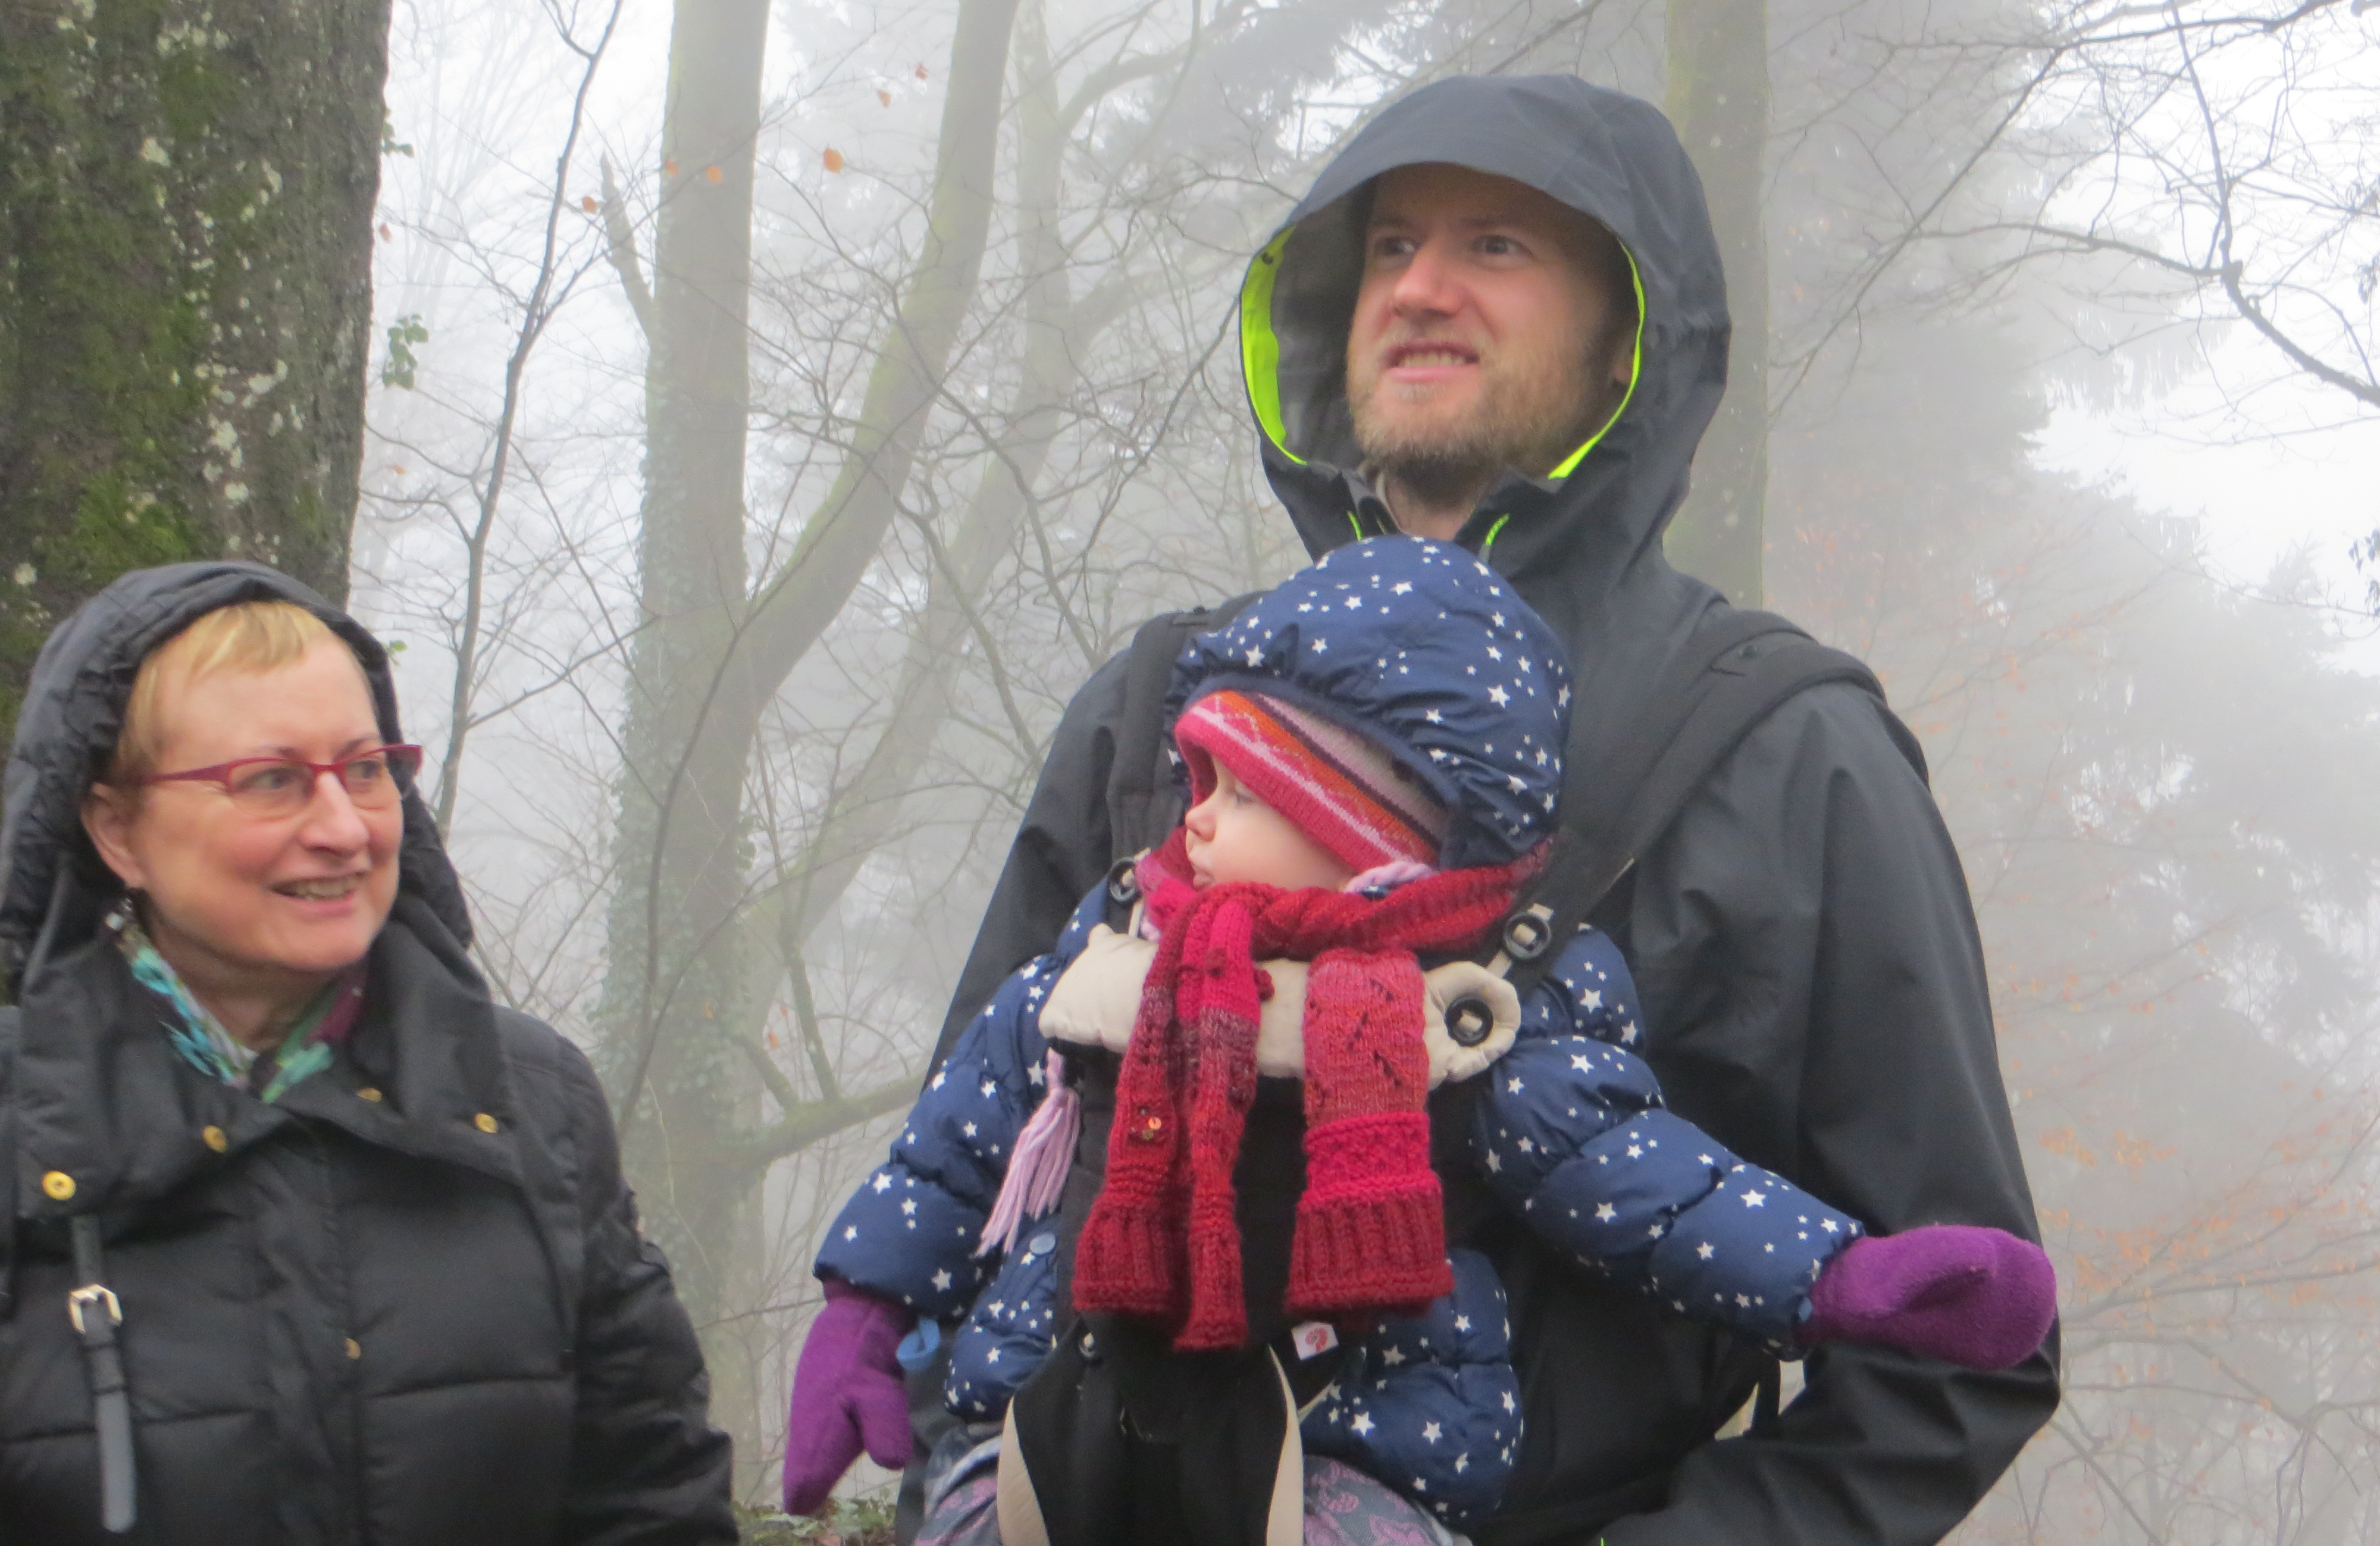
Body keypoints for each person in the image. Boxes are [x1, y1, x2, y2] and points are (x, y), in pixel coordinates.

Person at [900, 74, 2059, 1546]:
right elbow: (965, 1178)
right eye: (1387, 247)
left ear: (1632, 337)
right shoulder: (1155, 708)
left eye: (1494, 245)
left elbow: (1962, 1352)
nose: (1417, 288)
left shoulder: (1784, 748)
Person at [782, 539, 2055, 1545]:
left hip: (1360, 1440)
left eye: (1244, 790)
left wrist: (1845, 1279)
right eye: (1198, 779)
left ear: (1371, 832)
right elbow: (958, 1147)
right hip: (1056, 1404)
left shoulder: (1460, 1019)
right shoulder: (1113, 957)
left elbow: (1648, 1186)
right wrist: (864, 1310)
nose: (1195, 822)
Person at [0, 562, 736, 1545]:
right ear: (117, 829)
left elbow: (652, 1501)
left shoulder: (532, 1103)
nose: (343, 828)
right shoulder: (22, 1124)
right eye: (270, 780)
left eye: (364, 769)